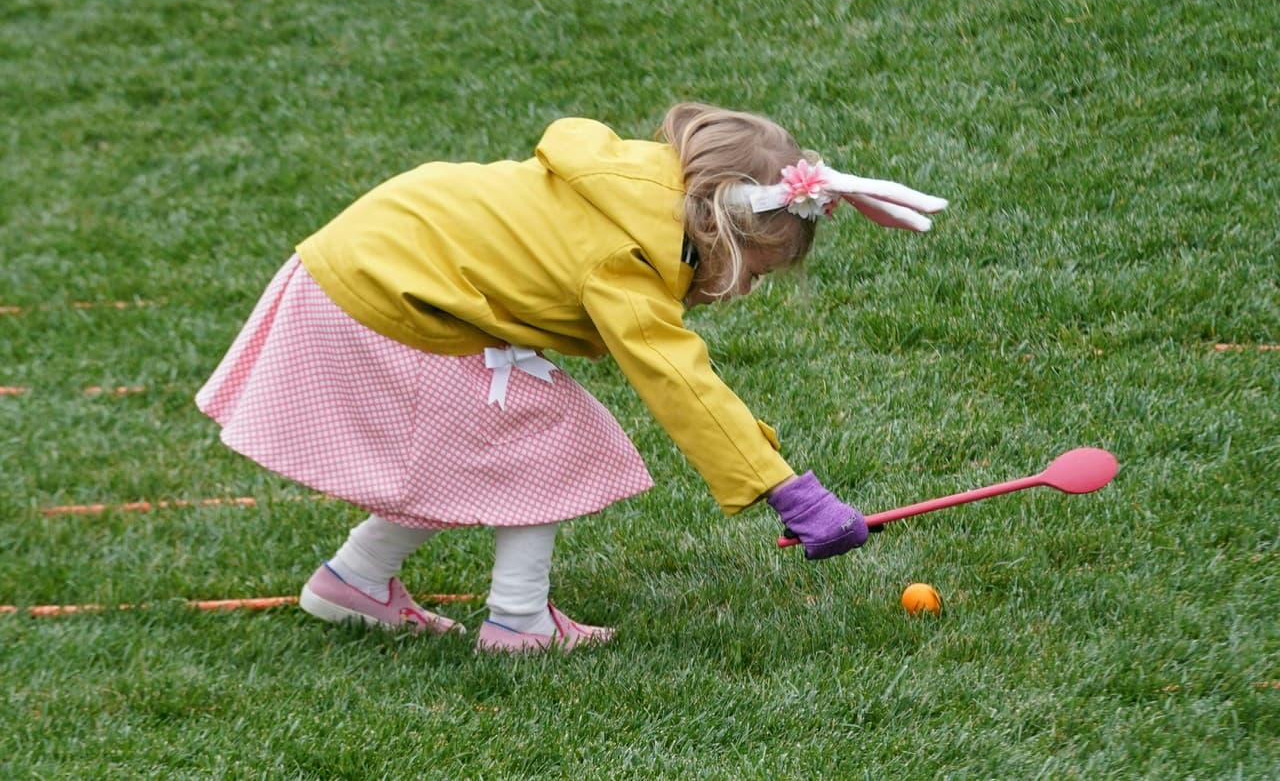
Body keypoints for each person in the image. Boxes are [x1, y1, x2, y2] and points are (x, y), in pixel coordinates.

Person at [195, 102, 946, 653]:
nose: (744, 290)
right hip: (380, 291)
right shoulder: (626, 257)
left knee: (479, 437)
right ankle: (518, 622)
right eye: (753, 270)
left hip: (376, 268)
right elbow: (683, 387)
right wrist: (789, 491)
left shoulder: (642, 190)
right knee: (551, 433)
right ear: (719, 223)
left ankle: (354, 582)